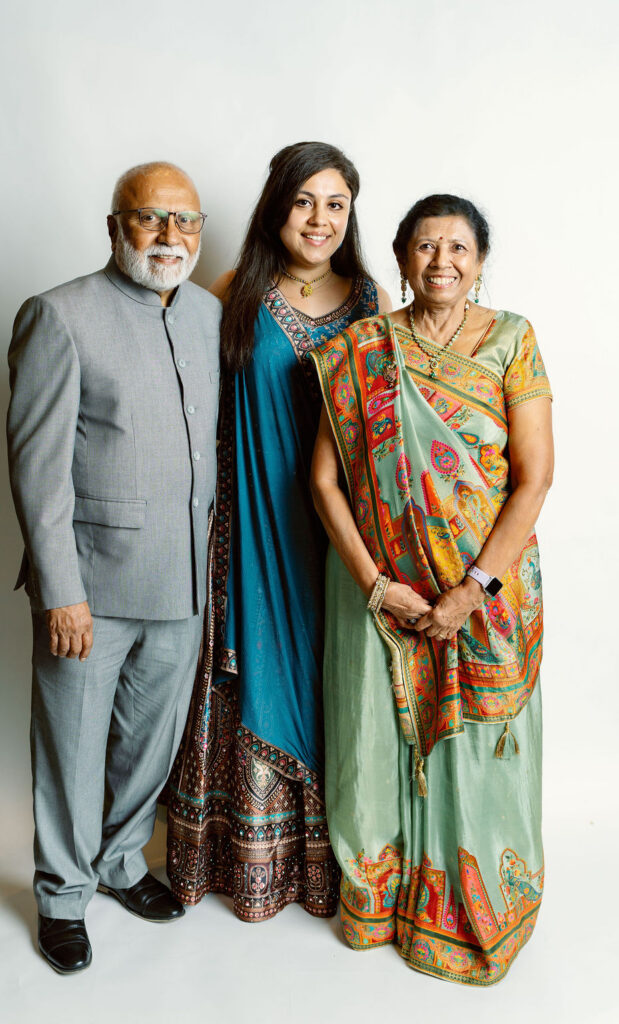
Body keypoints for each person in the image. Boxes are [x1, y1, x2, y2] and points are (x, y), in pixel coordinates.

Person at [310, 194, 553, 985]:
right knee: (375, 739)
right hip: (381, 597)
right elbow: (322, 481)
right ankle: (383, 899)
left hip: (485, 592)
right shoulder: (360, 350)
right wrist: (375, 586)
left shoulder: (512, 340)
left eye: (456, 247)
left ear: (479, 261)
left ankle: (472, 903)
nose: (440, 261)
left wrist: (471, 590)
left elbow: (533, 478)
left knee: (479, 746)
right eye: (424, 246)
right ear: (400, 257)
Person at [166, 142, 391, 921]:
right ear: (275, 207)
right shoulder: (233, 292)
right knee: (252, 669)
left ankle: (334, 866)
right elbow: (178, 398)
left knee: (336, 678)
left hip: (339, 537)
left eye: (336, 204)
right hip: (249, 528)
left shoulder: (370, 301)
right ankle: (241, 863)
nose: (319, 219)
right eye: (303, 201)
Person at [6, 161, 221, 974]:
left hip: (182, 580)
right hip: (90, 589)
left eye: (185, 220)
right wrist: (60, 593)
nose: (170, 236)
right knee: (70, 750)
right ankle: (62, 896)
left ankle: (122, 863)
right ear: (114, 226)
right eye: (150, 217)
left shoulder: (206, 314)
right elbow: (38, 470)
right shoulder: (60, 316)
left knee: (150, 747)